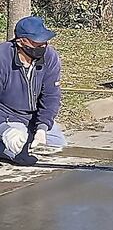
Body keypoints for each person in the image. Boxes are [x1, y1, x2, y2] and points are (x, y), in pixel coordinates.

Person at [0, 17, 67, 166]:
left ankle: (28, 138)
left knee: (57, 146)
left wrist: (42, 127)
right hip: (6, 115)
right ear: (21, 42)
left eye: (44, 41)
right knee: (20, 153)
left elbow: (51, 96)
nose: (43, 45)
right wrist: (4, 128)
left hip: (32, 117)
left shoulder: (50, 57)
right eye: (37, 42)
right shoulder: (2, 57)